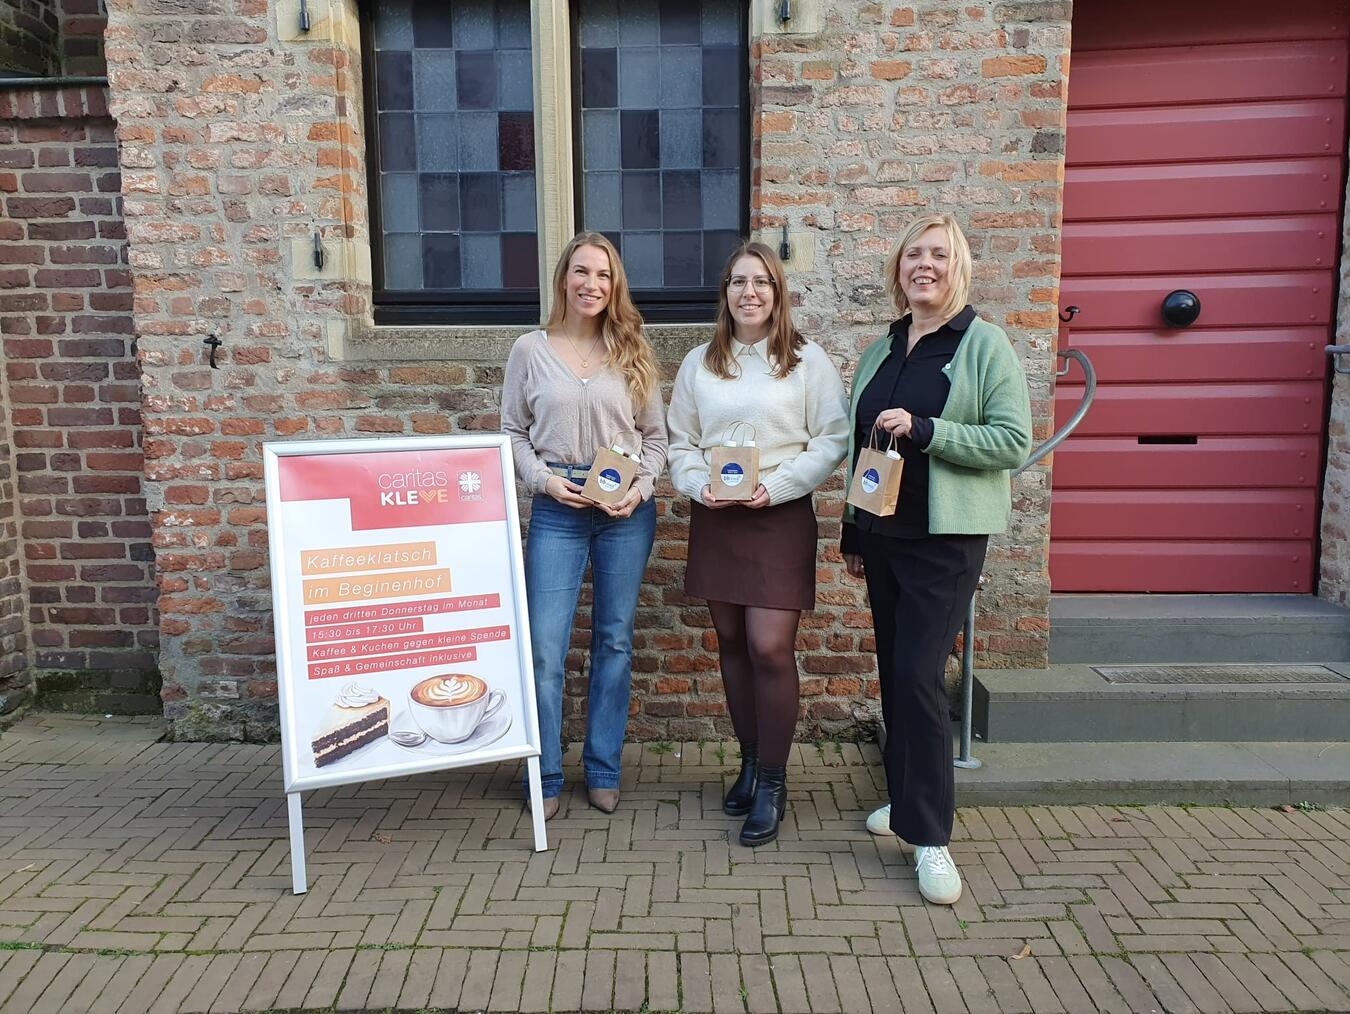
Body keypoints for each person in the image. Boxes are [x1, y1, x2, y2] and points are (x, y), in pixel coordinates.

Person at [842, 213, 1032, 904]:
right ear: (898, 268)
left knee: (920, 677)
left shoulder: (983, 345)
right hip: (886, 537)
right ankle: (905, 798)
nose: (924, 265)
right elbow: (859, 445)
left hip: (945, 543)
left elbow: (1013, 440)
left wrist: (927, 430)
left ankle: (931, 837)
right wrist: (854, 532)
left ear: (959, 268)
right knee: (895, 674)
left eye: (938, 255)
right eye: (913, 255)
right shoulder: (884, 348)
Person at [667, 240, 849, 847]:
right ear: (725, 294)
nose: (750, 293)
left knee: (769, 646)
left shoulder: (805, 360)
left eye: (762, 283)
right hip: (718, 515)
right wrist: (698, 486)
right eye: (739, 282)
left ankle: (773, 780)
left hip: (777, 513)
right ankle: (748, 760)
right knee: (731, 644)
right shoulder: (701, 362)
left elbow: (830, 439)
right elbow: (680, 443)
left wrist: (776, 486)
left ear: (778, 293)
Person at [502, 232, 668, 818]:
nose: (591, 283)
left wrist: (640, 489)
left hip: (623, 512)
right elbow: (513, 434)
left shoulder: (633, 350)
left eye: (602, 274)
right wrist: (544, 481)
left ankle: (602, 767)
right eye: (580, 271)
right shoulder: (529, 350)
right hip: (557, 509)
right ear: (563, 279)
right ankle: (545, 772)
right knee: (546, 648)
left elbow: (655, 440)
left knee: (614, 641)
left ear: (614, 283)